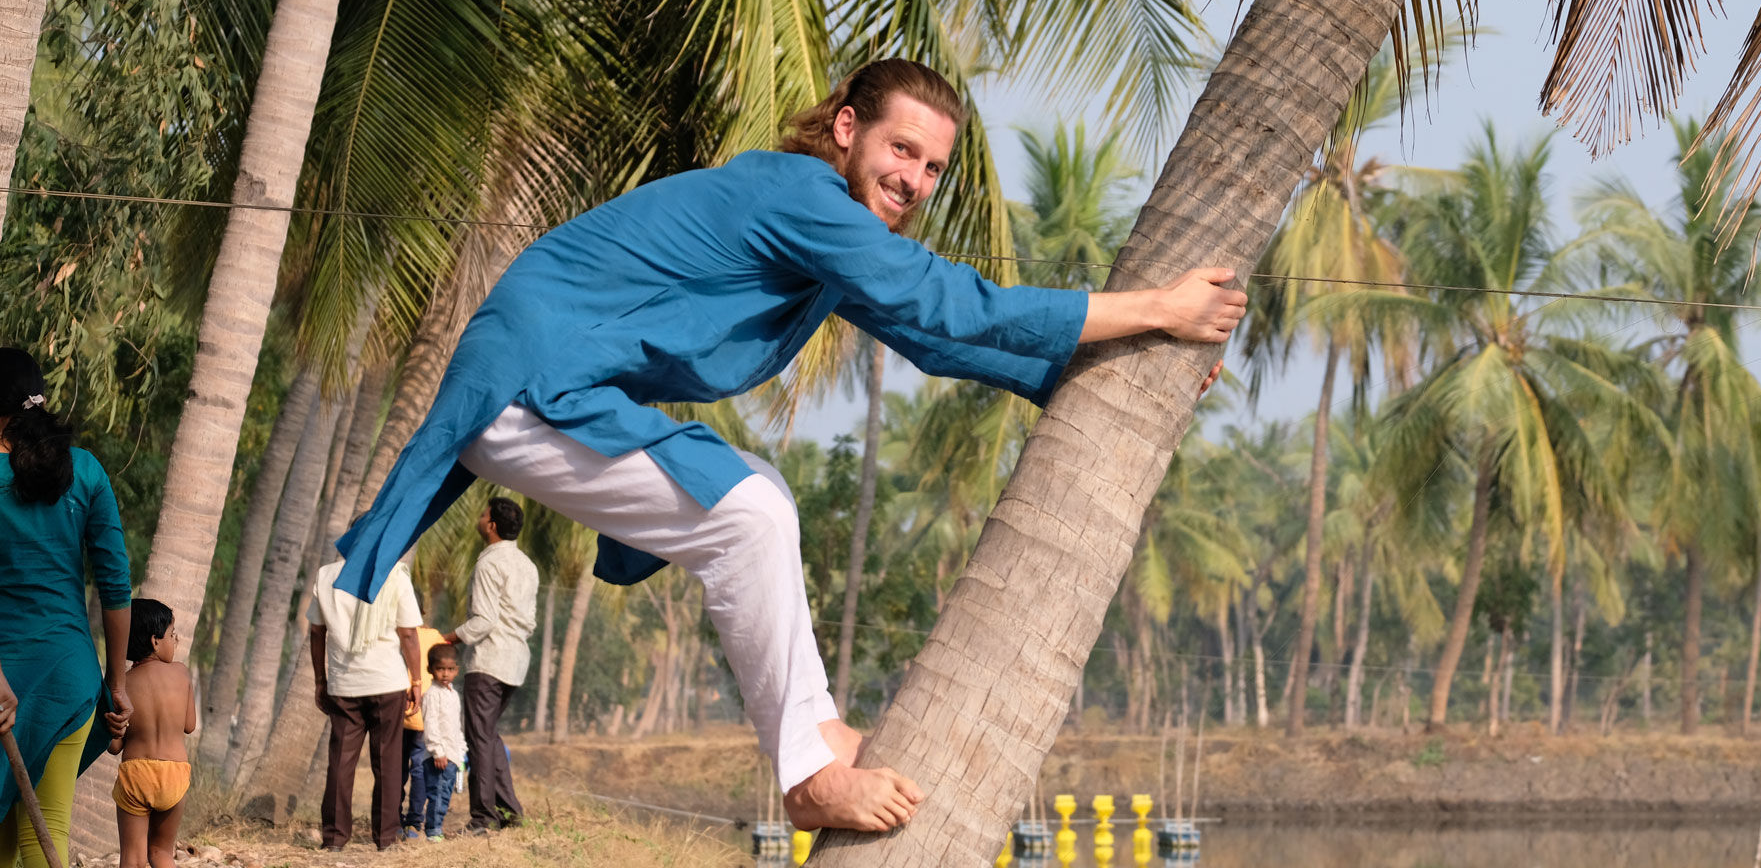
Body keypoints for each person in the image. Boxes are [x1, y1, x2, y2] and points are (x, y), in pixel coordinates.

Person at [338, 59, 1245, 832]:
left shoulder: (824, 231)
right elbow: (950, 302)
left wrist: (1108, 381)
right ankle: (808, 774)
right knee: (752, 513)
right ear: (847, 129)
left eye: (934, 168)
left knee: (759, 494)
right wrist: (1158, 309)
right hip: (527, 383)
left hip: (548, 386)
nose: (915, 181)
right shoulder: (799, 195)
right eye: (901, 150)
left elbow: (936, 342)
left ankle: (816, 737)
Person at [0, 348, 134, 868]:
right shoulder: (86, 471)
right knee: (44, 832)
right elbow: (116, 588)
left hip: (7, 682)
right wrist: (115, 685)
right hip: (69, 680)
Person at [306, 555, 422, 850]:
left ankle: (334, 839)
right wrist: (417, 680)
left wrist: (321, 679)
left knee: (341, 761)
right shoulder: (395, 574)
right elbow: (408, 633)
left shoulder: (327, 574)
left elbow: (317, 632)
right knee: (388, 762)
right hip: (387, 683)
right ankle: (385, 838)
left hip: (344, 684)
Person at [440, 497, 536, 833]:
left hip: (490, 660)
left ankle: (483, 819)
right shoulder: (527, 565)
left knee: (479, 739)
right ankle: (510, 813)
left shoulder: (488, 564)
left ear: (492, 525)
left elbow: (483, 621)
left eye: (483, 515)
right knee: (488, 737)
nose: (480, 519)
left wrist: (449, 637)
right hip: (516, 661)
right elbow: (530, 621)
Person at [110, 600, 195, 868]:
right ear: (155, 642)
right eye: (172, 634)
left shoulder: (121, 684)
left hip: (136, 774)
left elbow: (114, 746)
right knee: (161, 853)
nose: (176, 639)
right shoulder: (180, 673)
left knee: (133, 859)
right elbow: (189, 725)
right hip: (175, 773)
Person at [398, 622, 446, 839]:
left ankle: (393, 821)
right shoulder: (436, 637)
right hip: (424, 713)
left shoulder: (394, 633)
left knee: (394, 769)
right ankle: (414, 823)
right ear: (422, 613)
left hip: (397, 711)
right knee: (419, 769)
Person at [418, 644, 466, 841]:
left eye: (450, 669)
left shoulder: (453, 694)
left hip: (452, 754)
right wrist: (437, 751)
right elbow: (430, 724)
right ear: (430, 669)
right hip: (439, 756)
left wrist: (461, 751)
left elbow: (455, 725)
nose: (445, 674)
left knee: (445, 794)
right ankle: (433, 831)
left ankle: (436, 828)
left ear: (457, 670)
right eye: (440, 669)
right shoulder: (432, 695)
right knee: (437, 793)